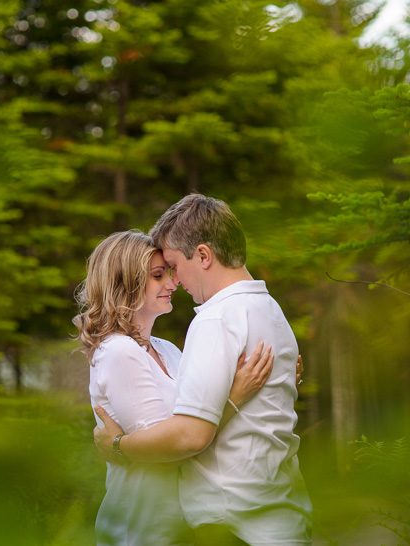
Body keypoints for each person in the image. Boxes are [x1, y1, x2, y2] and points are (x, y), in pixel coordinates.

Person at [94, 195, 313, 545]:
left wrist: (118, 446)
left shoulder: (216, 318)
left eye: (175, 267)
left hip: (236, 524)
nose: (175, 281)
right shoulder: (270, 309)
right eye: (161, 274)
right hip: (274, 515)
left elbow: (189, 435)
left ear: (204, 256)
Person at [74, 230, 275, 546]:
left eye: (169, 272)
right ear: (123, 283)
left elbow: (196, 415)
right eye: (158, 276)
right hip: (143, 530)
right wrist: (235, 396)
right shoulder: (117, 352)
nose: (173, 282)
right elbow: (174, 446)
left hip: (182, 527)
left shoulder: (166, 349)